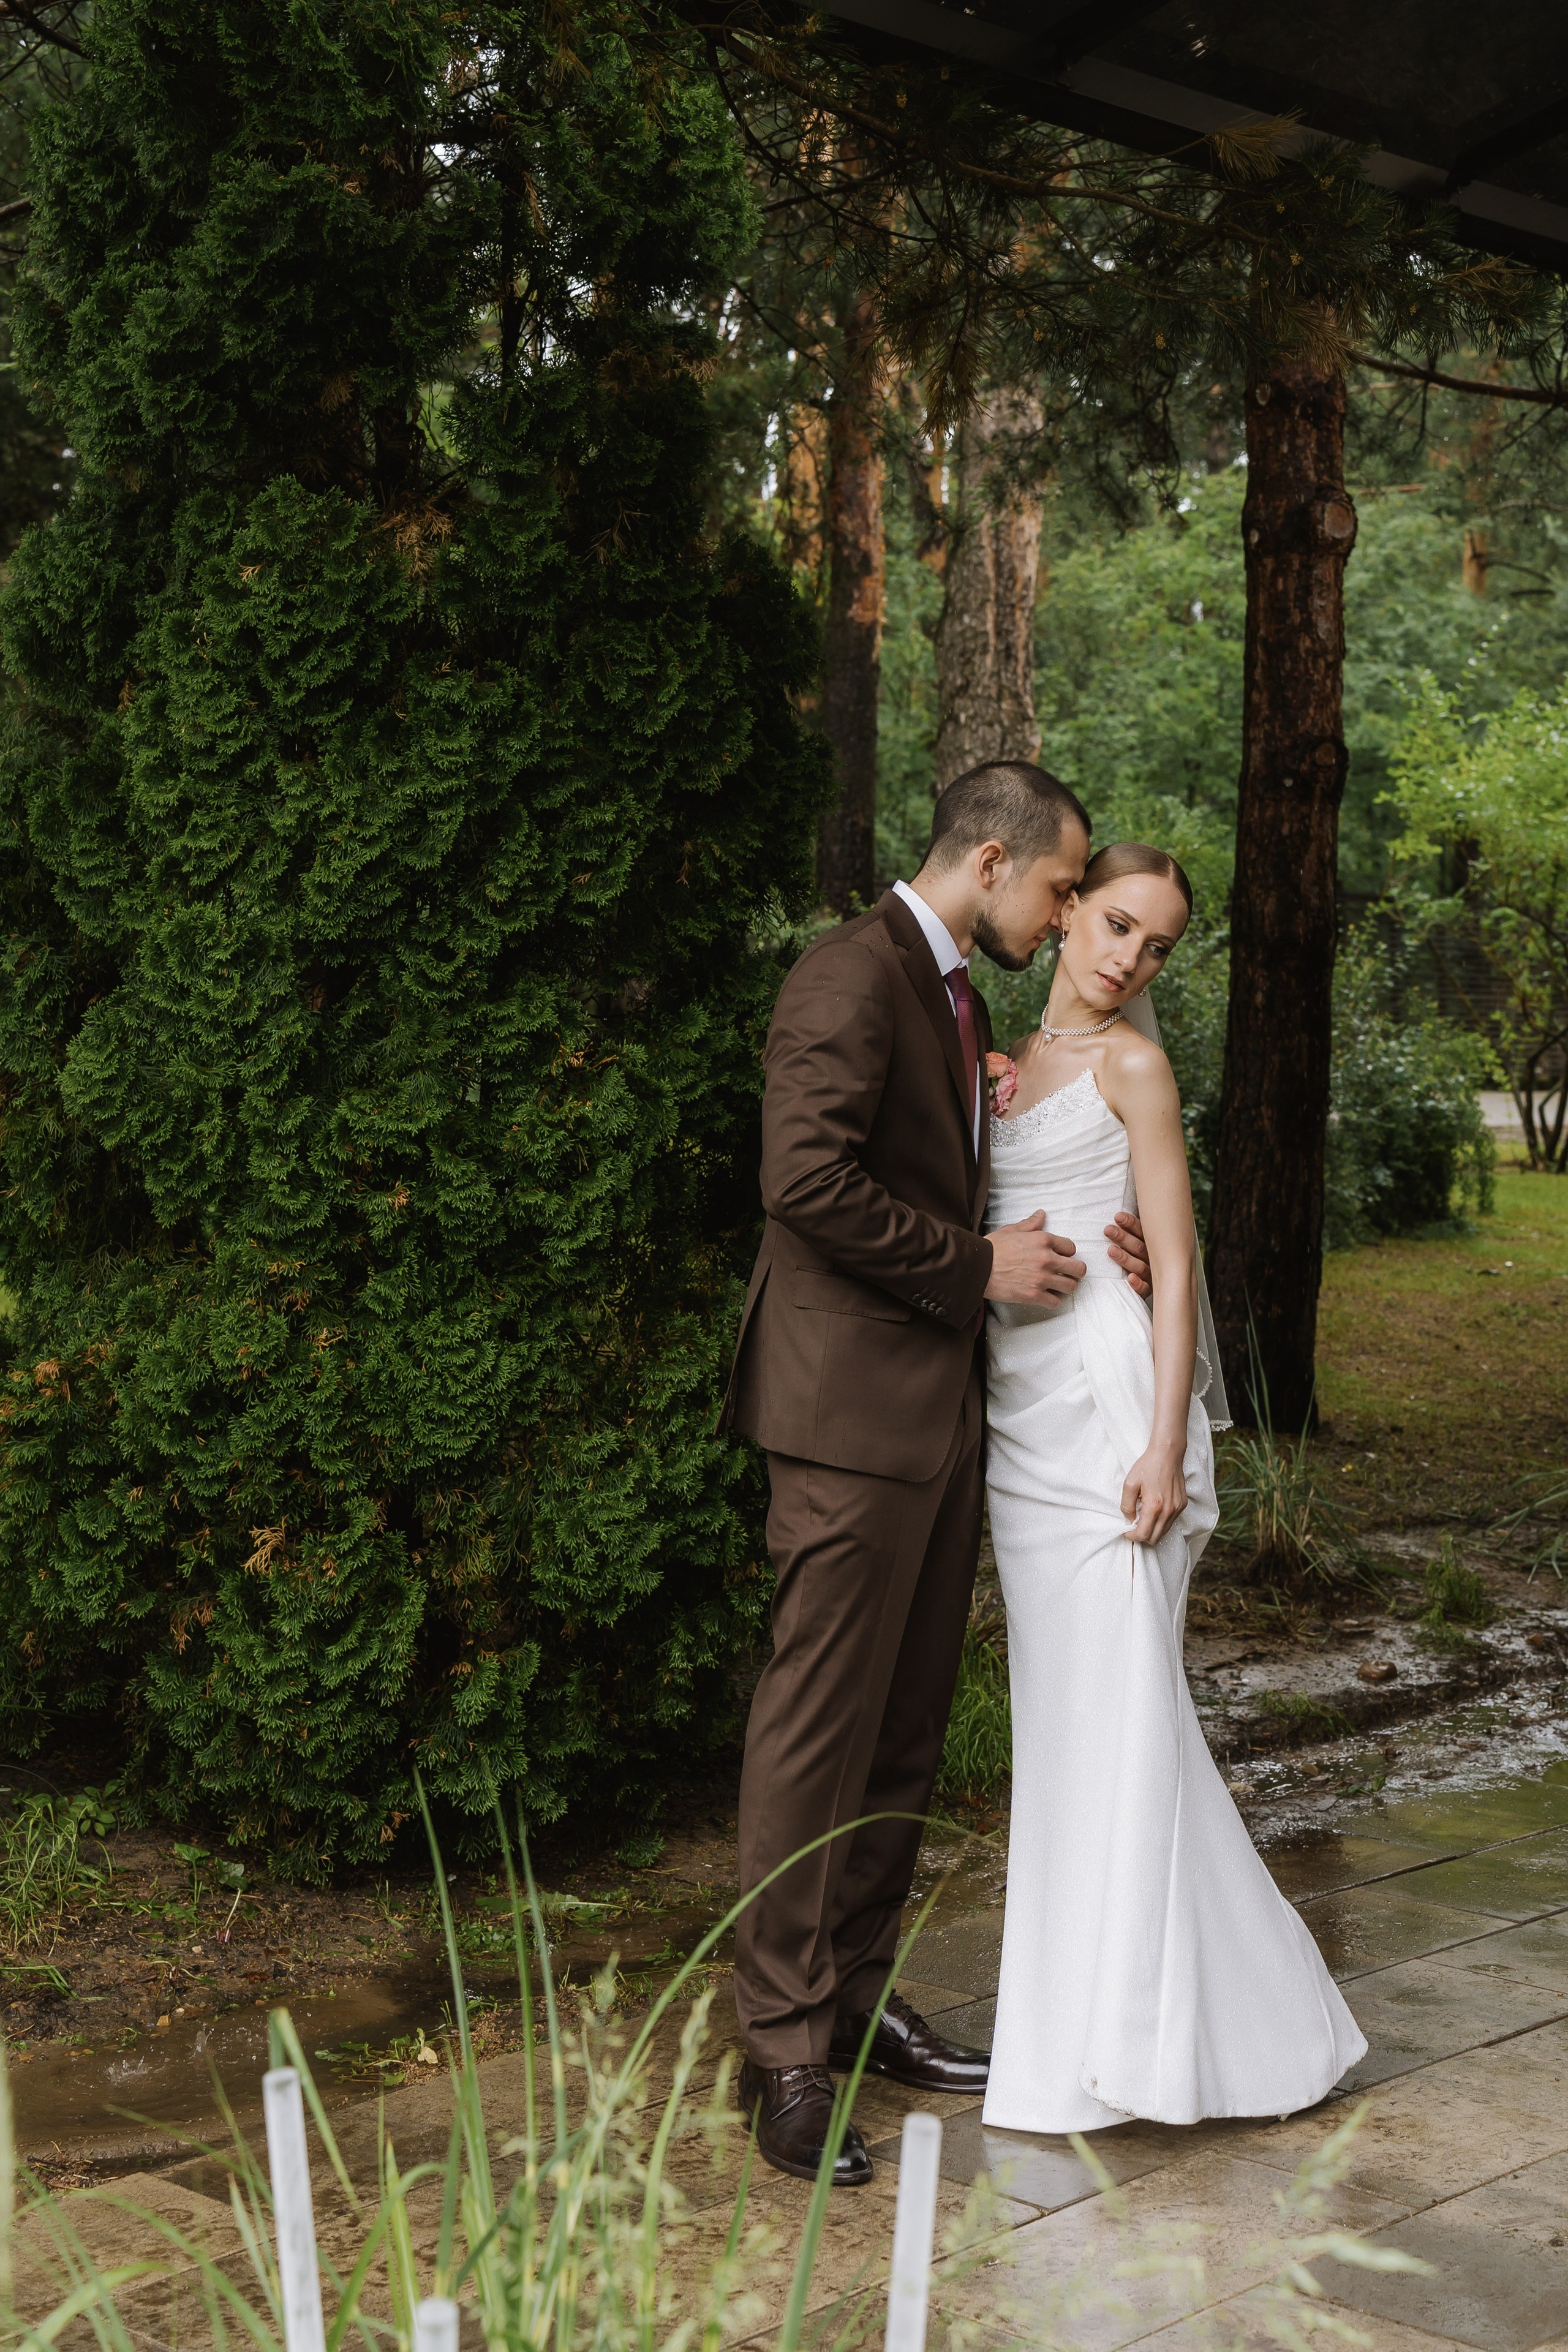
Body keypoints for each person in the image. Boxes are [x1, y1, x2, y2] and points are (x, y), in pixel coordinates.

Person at [719, 762, 1152, 2185]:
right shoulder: (847, 977)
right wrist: (977, 1266)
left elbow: (956, 1165)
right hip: (846, 1414)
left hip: (942, 1413)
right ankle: (778, 2053)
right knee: (815, 1729)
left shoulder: (958, 994)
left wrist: (1094, 1222)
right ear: (987, 860)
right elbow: (805, 1183)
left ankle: (850, 2001)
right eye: (1056, 887)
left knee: (899, 1734)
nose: (1065, 910)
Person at [982, 841, 1365, 2133]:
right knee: (1070, 1729)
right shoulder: (997, 1067)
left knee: (1125, 1721)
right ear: (1069, 907)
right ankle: (1100, 2031)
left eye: (1154, 947)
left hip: (1103, 1424)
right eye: (1114, 924)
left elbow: (1179, 1266)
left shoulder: (1133, 1068)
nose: (1126, 957)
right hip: (1014, 1432)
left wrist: (1162, 1437)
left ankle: (1142, 2050)